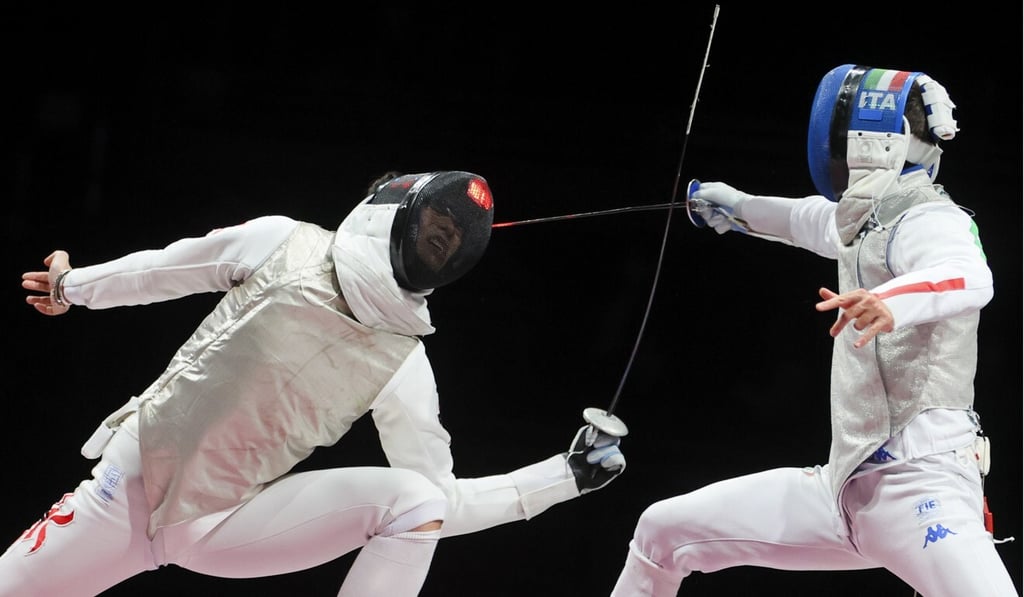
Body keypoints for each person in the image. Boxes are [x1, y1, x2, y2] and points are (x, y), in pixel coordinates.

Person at [2, 170, 628, 596]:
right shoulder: (283, 243)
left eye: (455, 239)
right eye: (439, 220)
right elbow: (165, 270)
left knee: (415, 502)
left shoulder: (403, 359)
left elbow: (440, 504)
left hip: (222, 527)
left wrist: (562, 477)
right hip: (123, 498)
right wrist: (73, 286)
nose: (445, 236)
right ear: (396, 207)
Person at [609, 65, 1018, 596]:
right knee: (661, 532)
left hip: (923, 487)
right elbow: (808, 221)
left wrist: (888, 301)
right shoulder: (869, 221)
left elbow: (970, 276)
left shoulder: (931, 220)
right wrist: (737, 208)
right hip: (841, 493)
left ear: (872, 143)